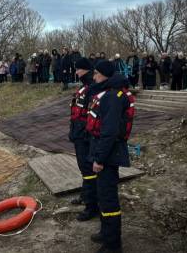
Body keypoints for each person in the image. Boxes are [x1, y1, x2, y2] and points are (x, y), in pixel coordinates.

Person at [86, 60, 130, 253]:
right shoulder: (107, 93)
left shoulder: (112, 97)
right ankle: (106, 232)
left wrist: (99, 159)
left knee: (108, 198)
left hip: (109, 155)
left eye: (96, 73)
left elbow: (110, 132)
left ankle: (113, 245)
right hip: (103, 151)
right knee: (103, 196)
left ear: (104, 75)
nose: (93, 77)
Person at [69, 57, 98, 221]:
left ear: (85, 69)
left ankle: (91, 206)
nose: (76, 72)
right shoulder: (85, 86)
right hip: (79, 134)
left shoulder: (92, 88)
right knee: (84, 169)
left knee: (88, 170)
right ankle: (85, 195)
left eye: (78, 69)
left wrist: (81, 133)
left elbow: (91, 116)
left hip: (86, 136)